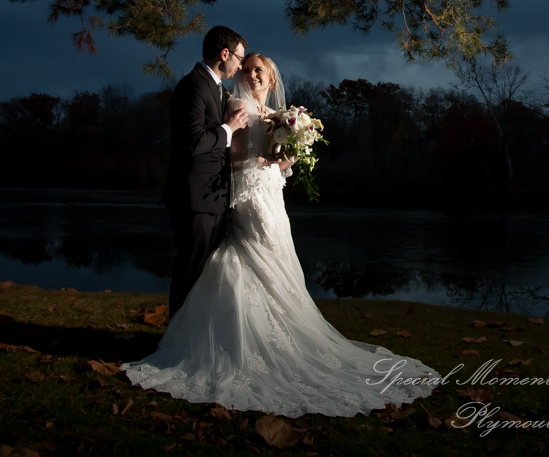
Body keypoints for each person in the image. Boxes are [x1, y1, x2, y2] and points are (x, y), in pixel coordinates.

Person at [123, 53, 437, 418]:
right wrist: (266, 158)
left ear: (271, 79)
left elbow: (280, 161)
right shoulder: (237, 105)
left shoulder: (275, 111)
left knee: (278, 252)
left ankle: (286, 335)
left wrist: (293, 149)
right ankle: (235, 339)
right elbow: (234, 157)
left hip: (272, 191)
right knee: (247, 254)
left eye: (259, 71)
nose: (252, 75)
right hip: (248, 192)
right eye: (247, 69)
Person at [161, 25, 249, 318]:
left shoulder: (215, 87)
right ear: (224, 54)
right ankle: (175, 336)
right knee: (190, 271)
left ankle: (191, 334)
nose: (240, 66)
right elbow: (192, 143)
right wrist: (229, 129)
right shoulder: (193, 86)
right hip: (194, 199)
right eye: (239, 58)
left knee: (204, 275)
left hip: (211, 197)